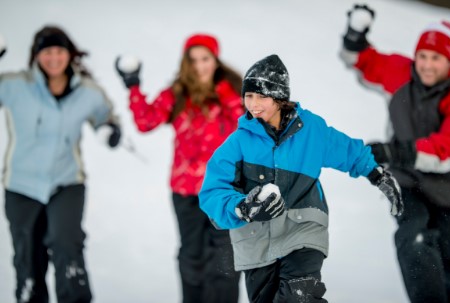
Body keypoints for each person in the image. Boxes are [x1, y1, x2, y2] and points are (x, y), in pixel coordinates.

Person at [198, 54, 404, 303]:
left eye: (261, 96)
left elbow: (348, 150)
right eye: (249, 96)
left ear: (279, 97)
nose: (253, 104)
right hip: (255, 242)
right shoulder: (238, 143)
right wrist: (243, 208)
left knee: (300, 297)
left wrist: (377, 174)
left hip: (303, 228)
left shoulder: (311, 130)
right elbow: (212, 191)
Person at [340, 4, 450, 302]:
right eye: (423, 56)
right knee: (414, 237)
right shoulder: (400, 74)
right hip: (409, 183)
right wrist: (356, 34)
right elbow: (360, 61)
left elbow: (448, 149)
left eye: (436, 58)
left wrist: (392, 151)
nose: (427, 65)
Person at [115, 33, 243, 303]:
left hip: (225, 190)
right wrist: (133, 86)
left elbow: (250, 123)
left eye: (205, 59)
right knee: (192, 255)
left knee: (226, 256)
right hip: (185, 190)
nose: (199, 66)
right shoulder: (177, 93)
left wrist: (223, 92)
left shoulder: (233, 91)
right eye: (193, 59)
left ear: (215, 61)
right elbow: (146, 121)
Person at [0, 26, 121, 303]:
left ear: (69, 54)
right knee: (27, 255)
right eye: (47, 52)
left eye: (59, 51)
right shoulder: (15, 85)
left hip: (67, 182)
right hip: (20, 185)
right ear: (36, 56)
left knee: (67, 245)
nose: (53, 58)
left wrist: (111, 130)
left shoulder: (87, 91)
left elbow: (106, 117)